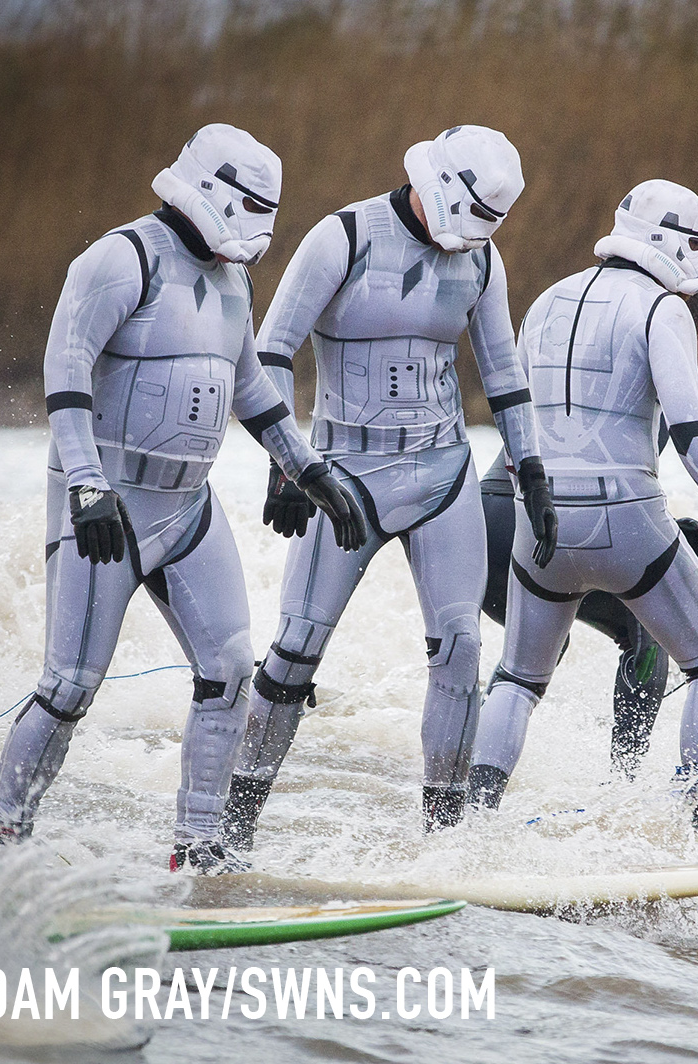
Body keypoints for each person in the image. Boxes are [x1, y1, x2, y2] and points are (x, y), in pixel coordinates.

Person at [0, 124, 365, 873]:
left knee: (229, 672)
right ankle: (1, 837)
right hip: (108, 507)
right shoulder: (117, 260)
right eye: (251, 208)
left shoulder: (234, 279)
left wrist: (306, 467)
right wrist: (86, 483)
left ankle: (197, 846)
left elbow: (249, 385)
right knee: (69, 687)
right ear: (216, 193)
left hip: (188, 509)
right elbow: (66, 373)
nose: (256, 230)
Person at [221, 125, 558, 839]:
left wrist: (532, 470)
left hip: (443, 473)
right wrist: (287, 465)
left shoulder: (483, 258)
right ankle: (232, 825)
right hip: (344, 479)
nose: (468, 239)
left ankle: (444, 839)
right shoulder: (341, 237)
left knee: (462, 646)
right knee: (295, 649)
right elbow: (269, 352)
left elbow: (505, 377)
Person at [465, 180, 698, 829]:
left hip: (537, 522)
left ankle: (471, 829)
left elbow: (512, 409)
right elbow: (688, 425)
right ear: (683, 246)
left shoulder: (546, 301)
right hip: (626, 517)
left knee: (517, 680)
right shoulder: (663, 311)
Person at [476, 287, 698, 779]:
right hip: (529, 516)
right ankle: (624, 779)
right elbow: (608, 501)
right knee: (649, 630)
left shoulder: (613, 358)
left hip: (496, 515)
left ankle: (473, 783)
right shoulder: (658, 376)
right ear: (681, 331)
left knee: (523, 671)